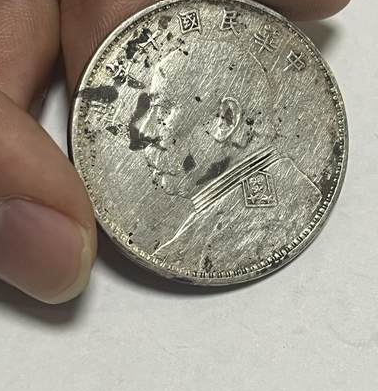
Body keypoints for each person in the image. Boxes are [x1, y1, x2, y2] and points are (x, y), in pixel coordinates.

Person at [0, 0, 359, 303]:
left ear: (225, 120)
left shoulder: (263, 218)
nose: (140, 130)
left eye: (160, 109)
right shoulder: (233, 213)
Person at [137, 41, 321, 271]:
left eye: (164, 110)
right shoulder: (226, 215)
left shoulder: (258, 227)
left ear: (226, 119)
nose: (145, 131)